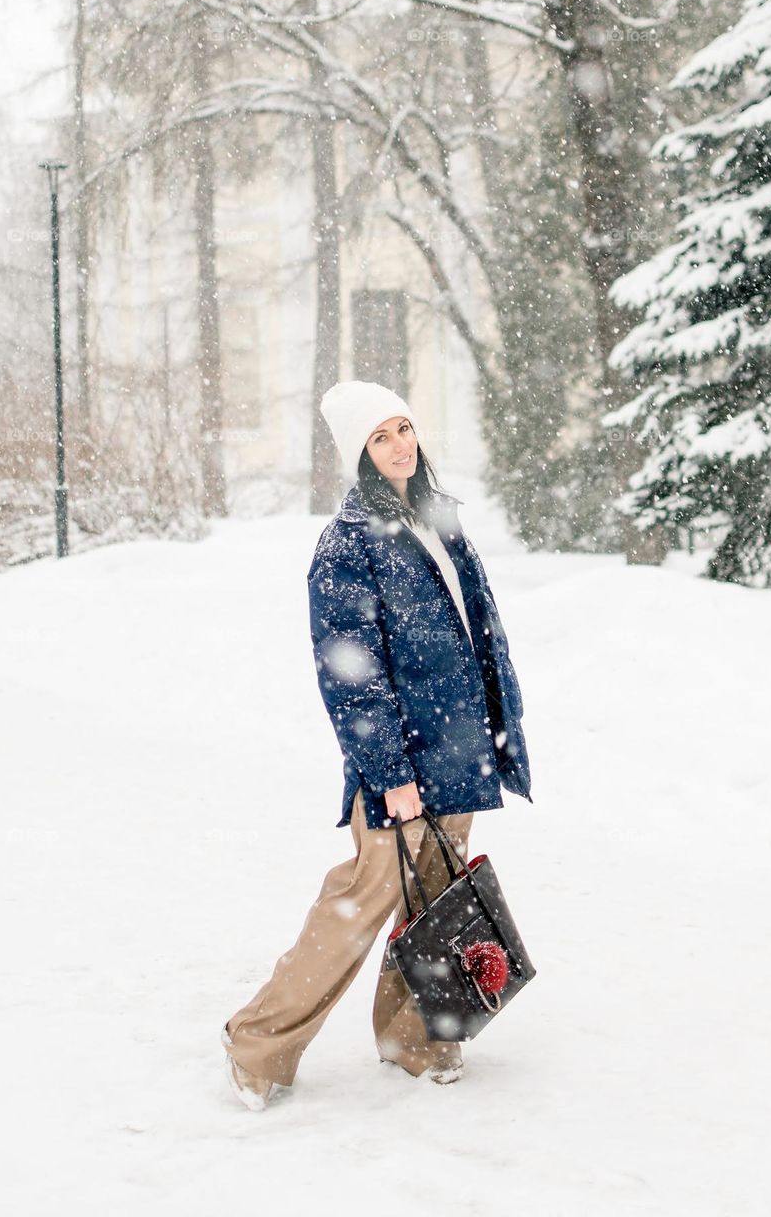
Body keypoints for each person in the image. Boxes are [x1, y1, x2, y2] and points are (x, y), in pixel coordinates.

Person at [222, 380, 532, 1110]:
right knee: (360, 903)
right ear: (357, 454)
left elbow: (478, 636)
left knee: (433, 904)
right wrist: (389, 772)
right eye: (379, 438)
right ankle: (258, 1044)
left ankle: (413, 1040)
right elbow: (349, 672)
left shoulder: (438, 519)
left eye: (403, 429)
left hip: (459, 751)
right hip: (402, 762)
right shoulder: (347, 546)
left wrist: (496, 735)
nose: (399, 446)